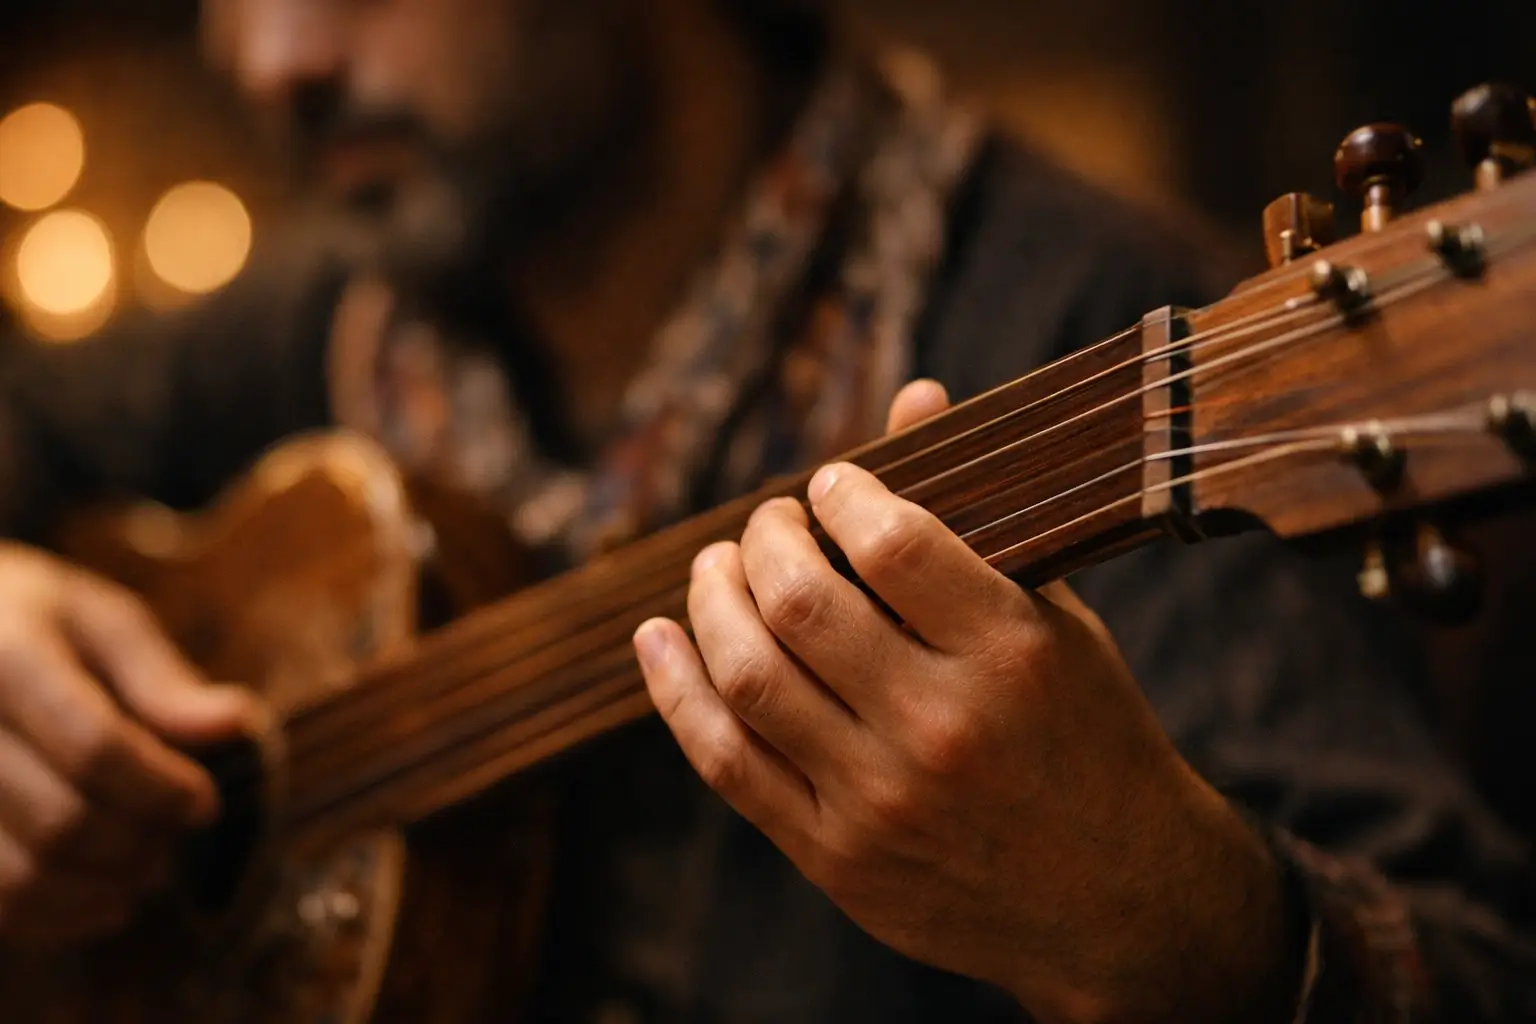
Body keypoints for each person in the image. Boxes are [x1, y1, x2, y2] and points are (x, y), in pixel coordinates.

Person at [0, 0, 1531, 1019]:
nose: (274, 61)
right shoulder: (321, 325)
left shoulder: (1085, 319)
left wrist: (1163, 913)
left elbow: (1476, 970)